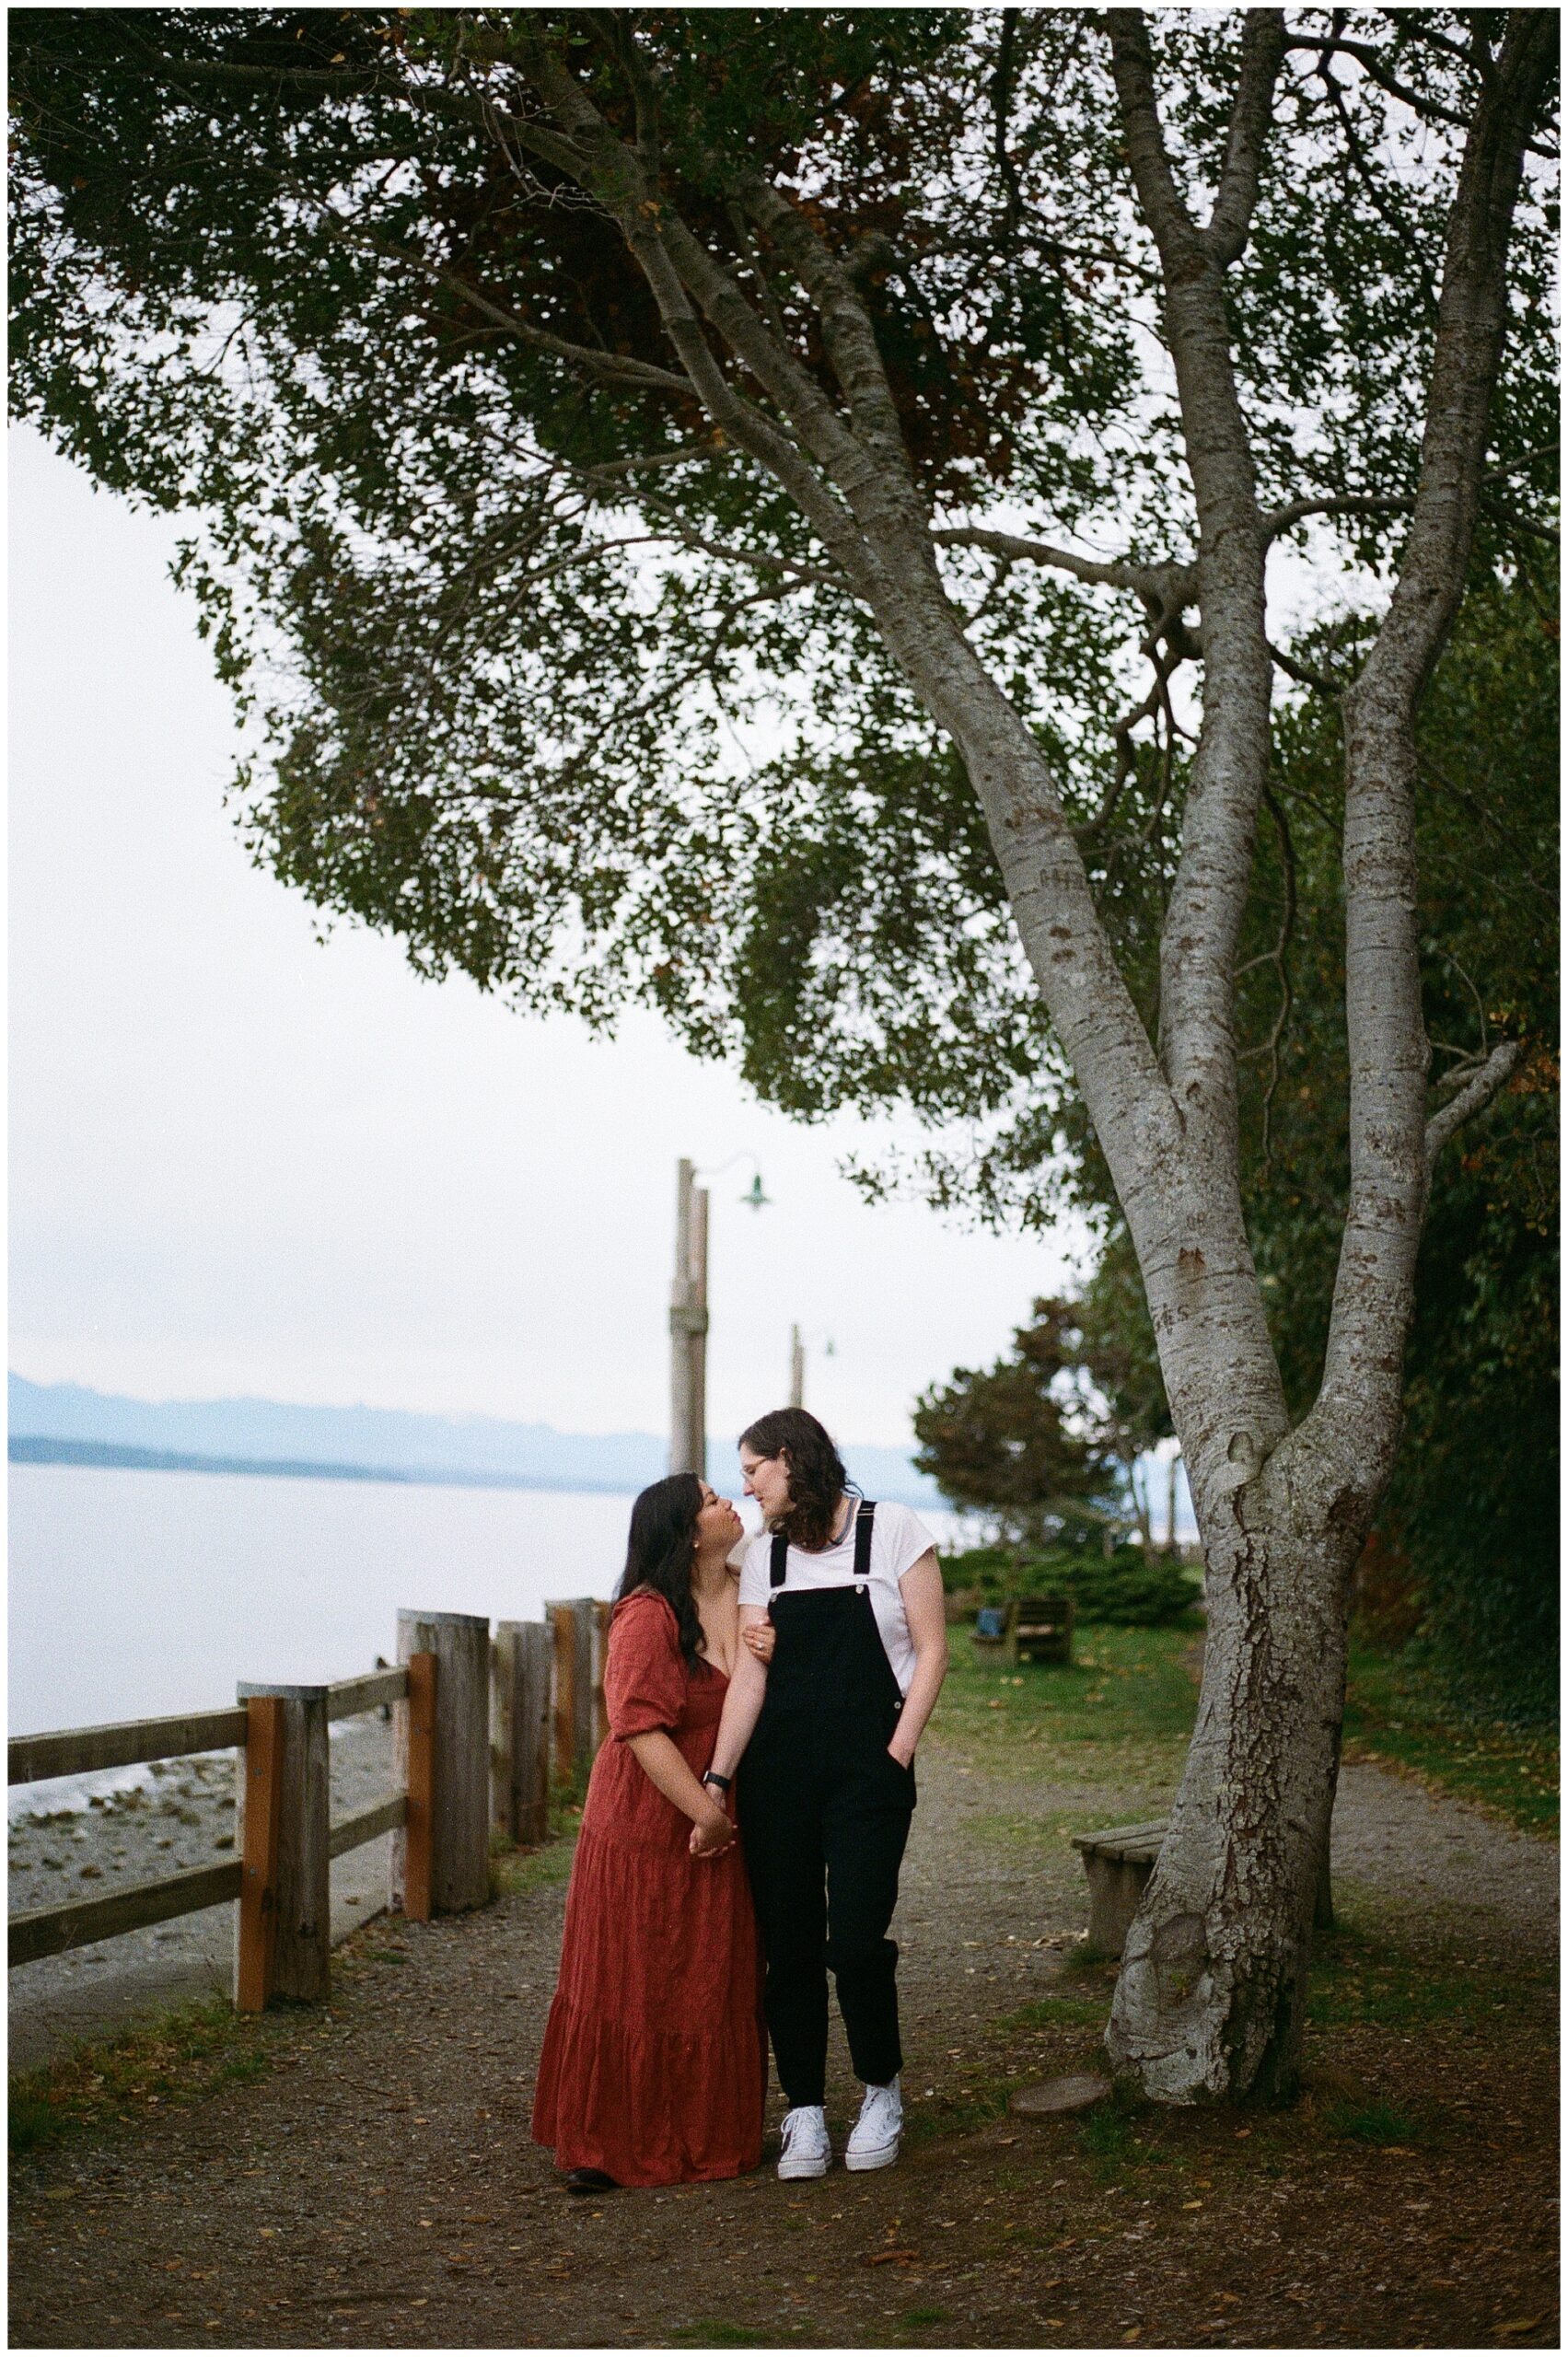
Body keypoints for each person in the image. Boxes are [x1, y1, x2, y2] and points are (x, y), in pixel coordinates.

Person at [695, 1408, 948, 2180]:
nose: (746, 1489)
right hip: (779, 1775)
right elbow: (749, 1675)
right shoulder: (761, 1553)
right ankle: (802, 2109)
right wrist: (717, 1778)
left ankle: (880, 2090)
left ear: (790, 1460)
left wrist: (897, 1750)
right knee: (791, 1947)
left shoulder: (893, 1528)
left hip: (868, 1770)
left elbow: (933, 1650)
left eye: (751, 1471)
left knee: (858, 1943)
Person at [531, 1473, 774, 2192]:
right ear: (687, 1532)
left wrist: (721, 1810)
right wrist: (704, 1812)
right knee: (634, 1976)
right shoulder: (646, 1613)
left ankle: (703, 2134)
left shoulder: (753, 1586)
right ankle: (605, 2143)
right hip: (648, 1819)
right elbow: (636, 1726)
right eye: (708, 1499)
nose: (729, 1499)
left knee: (709, 1972)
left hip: (727, 1812)